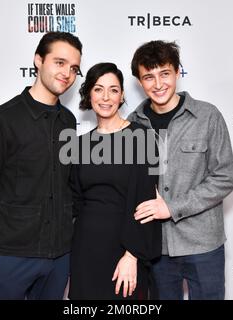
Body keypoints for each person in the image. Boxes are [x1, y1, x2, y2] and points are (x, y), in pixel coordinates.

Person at [0, 31, 82, 300]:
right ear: (38, 60)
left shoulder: (68, 121)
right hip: (10, 257)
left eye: (74, 68)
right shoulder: (2, 120)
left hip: (59, 257)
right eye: (59, 62)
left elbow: (67, 184)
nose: (67, 73)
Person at [128, 40, 233, 300]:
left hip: (203, 244)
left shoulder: (208, 116)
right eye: (148, 77)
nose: (158, 84)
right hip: (156, 247)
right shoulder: (131, 125)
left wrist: (172, 207)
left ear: (178, 72)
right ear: (139, 82)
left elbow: (225, 177)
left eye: (165, 73)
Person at [68, 62, 161, 300]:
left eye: (113, 90)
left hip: (125, 249)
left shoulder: (141, 137)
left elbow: (145, 201)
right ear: (89, 94)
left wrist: (132, 255)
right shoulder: (79, 145)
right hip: (85, 250)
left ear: (121, 96)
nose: (106, 97)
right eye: (98, 89)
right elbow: (76, 203)